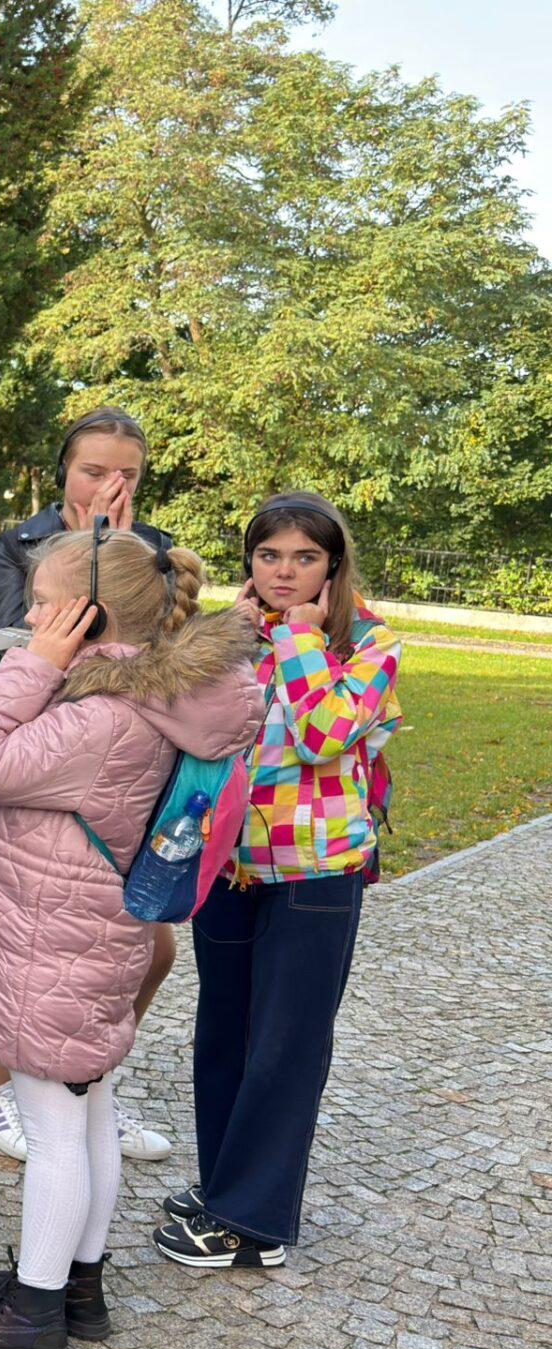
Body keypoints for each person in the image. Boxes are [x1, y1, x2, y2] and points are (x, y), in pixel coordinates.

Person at [0, 530, 261, 1349]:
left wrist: (32, 665)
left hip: (56, 944)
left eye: (44, 603)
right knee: (92, 1110)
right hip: (89, 934)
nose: (32, 617)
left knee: (54, 1128)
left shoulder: (101, 719)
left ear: (91, 615)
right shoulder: (149, 700)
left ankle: (32, 1314)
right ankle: (79, 1286)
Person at [155, 491, 401, 1270]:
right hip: (227, 864)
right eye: (269, 555)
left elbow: (324, 733)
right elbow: (187, 723)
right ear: (250, 561)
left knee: (285, 1044)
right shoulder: (235, 634)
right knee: (223, 1034)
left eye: (304, 557)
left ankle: (252, 1224)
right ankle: (226, 1186)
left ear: (333, 565)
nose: (284, 571)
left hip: (316, 873)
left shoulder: (369, 642)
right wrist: (228, 641)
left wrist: (298, 637)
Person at [0, 407, 178, 1164]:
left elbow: (167, 657)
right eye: (94, 470)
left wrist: (122, 555)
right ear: (64, 470)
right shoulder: (21, 542)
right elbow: (17, 644)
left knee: (145, 947)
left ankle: (91, 1083)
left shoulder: (153, 548)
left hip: (119, 767)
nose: (108, 485)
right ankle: (10, 1093)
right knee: (17, 946)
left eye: (126, 473)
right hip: (30, 748)